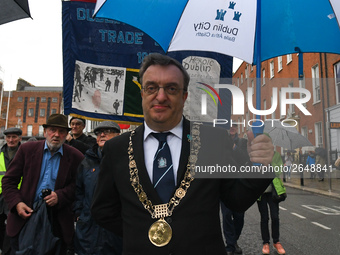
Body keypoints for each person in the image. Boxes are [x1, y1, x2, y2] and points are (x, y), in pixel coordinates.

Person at [91, 53, 275, 255]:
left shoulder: (214, 140)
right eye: (151, 87)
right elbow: (103, 210)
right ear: (142, 93)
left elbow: (236, 200)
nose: (160, 96)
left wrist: (260, 166)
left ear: (184, 96)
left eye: (171, 88)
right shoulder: (116, 148)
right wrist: (141, 234)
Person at [2, 114, 84, 254]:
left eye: (61, 131)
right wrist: (17, 203)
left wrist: (60, 196)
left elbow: (79, 186)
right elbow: (9, 181)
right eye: (52, 130)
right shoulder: (27, 150)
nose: (56, 135)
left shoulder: (75, 156)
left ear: (66, 134)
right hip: (25, 217)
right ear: (45, 131)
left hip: (56, 223)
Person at [74, 121, 122, 255]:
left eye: (107, 131)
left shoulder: (127, 161)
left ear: (118, 135)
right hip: (88, 228)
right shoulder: (87, 162)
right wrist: (79, 213)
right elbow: (78, 189)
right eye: (99, 133)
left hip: (114, 230)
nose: (102, 135)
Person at [221, 124, 248, 255]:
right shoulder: (220, 141)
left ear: (237, 129)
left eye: (235, 126)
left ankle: (234, 240)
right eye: (230, 126)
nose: (232, 128)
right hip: (225, 184)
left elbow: (244, 158)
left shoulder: (242, 142)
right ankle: (230, 245)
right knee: (226, 215)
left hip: (239, 184)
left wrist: (233, 146)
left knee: (239, 216)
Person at [257, 152, 286, 255]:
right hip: (261, 192)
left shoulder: (276, 155)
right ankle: (266, 242)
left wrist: (269, 165)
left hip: (273, 192)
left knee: (275, 217)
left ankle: (276, 241)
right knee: (264, 218)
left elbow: (279, 170)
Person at [0, 128, 22, 255]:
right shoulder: (0, 153)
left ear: (20, 138)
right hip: (0, 196)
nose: (11, 140)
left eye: (14, 137)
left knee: (12, 227)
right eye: (8, 137)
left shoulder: (24, 153)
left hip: (16, 196)